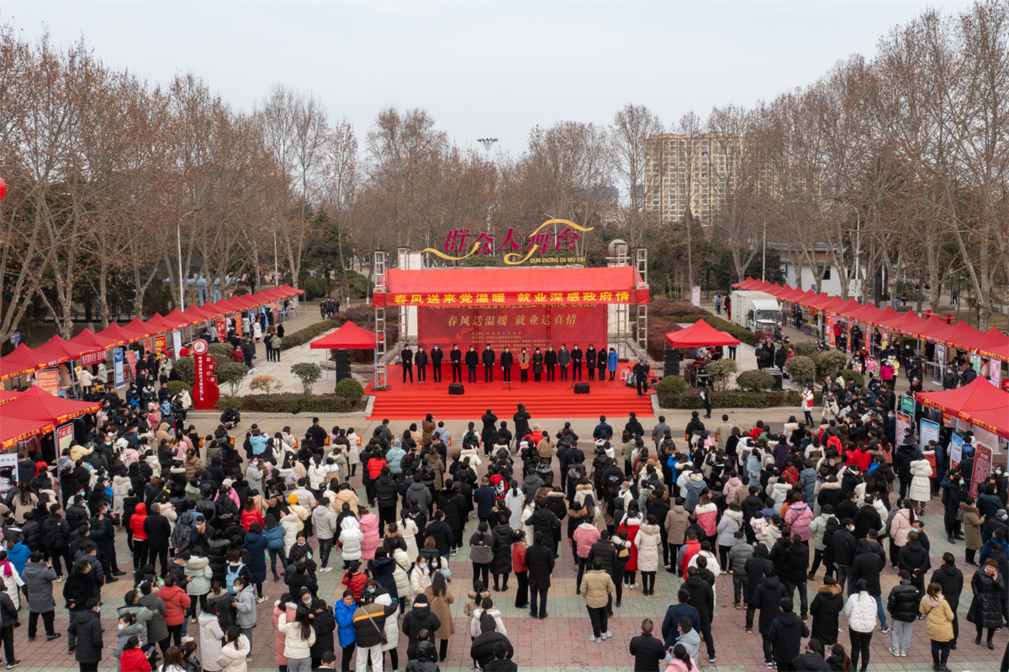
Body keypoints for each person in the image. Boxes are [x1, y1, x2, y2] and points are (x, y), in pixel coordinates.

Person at [967, 558, 1004, 650]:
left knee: (992, 623)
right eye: (989, 567)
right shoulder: (979, 572)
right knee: (979, 620)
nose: (990, 569)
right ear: (985, 566)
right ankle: (979, 636)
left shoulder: (998, 575)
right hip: (980, 600)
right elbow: (973, 583)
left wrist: (996, 580)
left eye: (992, 567)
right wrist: (977, 594)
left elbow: (1002, 587)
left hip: (993, 602)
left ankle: (989, 640)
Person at [929, 553, 964, 651]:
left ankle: (941, 642)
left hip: (941, 602)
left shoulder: (938, 573)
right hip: (953, 601)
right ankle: (953, 642)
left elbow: (933, 588)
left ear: (944, 561)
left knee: (941, 622)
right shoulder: (959, 572)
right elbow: (960, 587)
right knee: (954, 621)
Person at [842, 579, 877, 672]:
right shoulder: (872, 599)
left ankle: (853, 668)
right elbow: (874, 612)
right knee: (865, 648)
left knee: (855, 648)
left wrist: (850, 620)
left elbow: (847, 611)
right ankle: (864, 668)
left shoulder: (853, 598)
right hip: (868, 628)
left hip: (855, 627)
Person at [23, 551, 59, 642]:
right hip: (45, 598)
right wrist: (50, 567)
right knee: (48, 617)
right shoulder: (44, 571)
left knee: (33, 616)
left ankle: (31, 635)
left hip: (32, 597)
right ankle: (50, 634)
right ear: (40, 560)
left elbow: (23, 577)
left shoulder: (26, 570)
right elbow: (54, 577)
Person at [920, 582, 955, 672]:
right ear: (939, 591)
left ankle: (936, 664)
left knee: (934, 645)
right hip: (944, 628)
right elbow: (950, 617)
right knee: (946, 646)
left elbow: (921, 610)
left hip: (932, 627)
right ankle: (943, 665)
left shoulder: (924, 599)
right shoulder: (943, 602)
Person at [768, 598, 809, 671]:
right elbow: (806, 633)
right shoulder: (798, 620)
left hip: (780, 655)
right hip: (794, 654)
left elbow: (771, 637)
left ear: (781, 608)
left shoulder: (776, 622)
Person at [580, 557, 615, 643]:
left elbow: (582, 590)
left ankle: (597, 637)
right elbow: (611, 588)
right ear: (602, 566)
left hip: (591, 603)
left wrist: (587, 596)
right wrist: (605, 593)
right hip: (603, 601)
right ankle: (604, 633)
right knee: (603, 617)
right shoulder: (607, 576)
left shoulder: (587, 577)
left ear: (592, 566)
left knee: (595, 619)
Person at [886, 569, 919, 657]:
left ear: (900, 578)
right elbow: (917, 603)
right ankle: (903, 650)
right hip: (910, 616)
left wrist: (890, 610)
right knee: (907, 632)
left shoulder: (896, 589)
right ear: (909, 577)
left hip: (897, 615)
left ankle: (895, 648)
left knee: (895, 631)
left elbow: (891, 603)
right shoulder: (915, 590)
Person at [525, 531, 554, 620]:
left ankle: (533, 612)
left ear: (534, 539)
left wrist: (532, 569)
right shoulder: (547, 551)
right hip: (544, 576)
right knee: (543, 595)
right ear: (543, 540)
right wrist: (548, 571)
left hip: (533, 575)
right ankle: (542, 613)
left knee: (533, 595)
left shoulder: (529, 549)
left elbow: (526, 562)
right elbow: (551, 564)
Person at [67, 597, 102, 672]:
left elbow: (70, 629)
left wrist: (80, 633)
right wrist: (101, 646)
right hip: (92, 653)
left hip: (81, 651)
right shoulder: (95, 621)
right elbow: (97, 639)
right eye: (98, 606)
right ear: (94, 608)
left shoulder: (79, 616)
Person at [278, 607, 317, 672]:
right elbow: (311, 642)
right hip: (304, 655)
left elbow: (281, 628)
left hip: (292, 656)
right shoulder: (309, 628)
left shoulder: (290, 626)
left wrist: (282, 615)